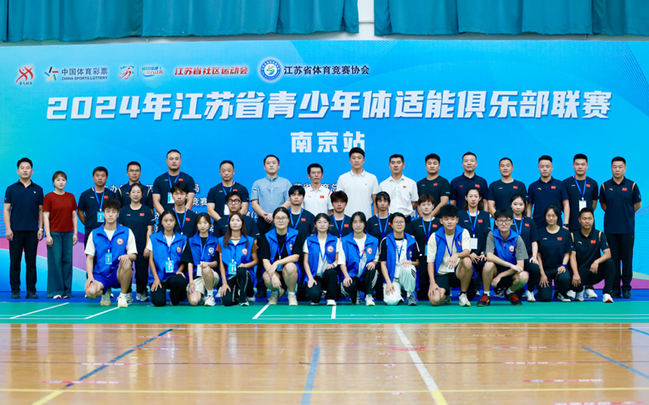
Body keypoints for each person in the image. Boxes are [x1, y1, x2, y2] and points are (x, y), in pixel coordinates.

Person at [600, 156, 641, 299]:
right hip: (610, 230)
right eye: (614, 167)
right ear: (611, 168)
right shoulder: (605, 186)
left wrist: (626, 214)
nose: (617, 169)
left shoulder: (632, 185)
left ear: (625, 168)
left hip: (627, 229)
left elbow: (637, 205)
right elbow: (604, 205)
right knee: (613, 260)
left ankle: (627, 288)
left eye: (620, 167)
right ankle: (615, 288)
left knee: (627, 260)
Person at [84, 199, 136, 308]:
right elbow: (89, 258)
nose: (110, 214)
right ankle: (105, 291)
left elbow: (134, 255)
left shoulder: (127, 231)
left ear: (118, 214)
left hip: (118, 273)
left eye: (113, 211)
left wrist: (127, 256)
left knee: (127, 262)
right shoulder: (94, 233)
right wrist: (90, 276)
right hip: (101, 274)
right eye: (107, 211)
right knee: (90, 293)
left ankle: (122, 296)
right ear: (103, 214)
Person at [5, 158, 43, 299]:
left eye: (28, 168)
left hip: (32, 231)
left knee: (31, 262)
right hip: (15, 231)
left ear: (32, 171)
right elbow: (6, 210)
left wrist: (41, 228)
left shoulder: (38, 189)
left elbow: (41, 210)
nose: (25, 170)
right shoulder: (11, 189)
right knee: (15, 262)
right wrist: (8, 229)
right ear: (18, 171)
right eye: (22, 167)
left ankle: (31, 291)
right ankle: (15, 290)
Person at [563, 153, 600, 299]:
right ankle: (574, 286)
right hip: (572, 225)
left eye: (582, 164)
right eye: (577, 164)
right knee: (573, 255)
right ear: (573, 165)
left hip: (588, 226)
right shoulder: (566, 183)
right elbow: (564, 205)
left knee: (590, 254)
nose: (580, 167)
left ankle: (589, 287)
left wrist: (586, 218)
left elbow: (594, 204)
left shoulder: (593, 183)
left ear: (587, 166)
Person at [477, 209, 529, 306]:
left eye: (507, 220)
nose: (504, 223)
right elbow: (489, 256)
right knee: (488, 265)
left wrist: (500, 276)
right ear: (496, 222)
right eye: (500, 221)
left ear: (511, 222)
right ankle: (486, 295)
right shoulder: (492, 235)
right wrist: (510, 265)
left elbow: (520, 265)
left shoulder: (517, 238)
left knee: (524, 276)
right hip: (495, 270)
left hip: (511, 272)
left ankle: (509, 292)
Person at [427, 204, 475, 307]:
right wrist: (432, 282)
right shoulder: (434, 236)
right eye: (446, 219)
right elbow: (430, 261)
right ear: (441, 221)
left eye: (452, 219)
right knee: (434, 300)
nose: (449, 222)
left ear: (457, 220)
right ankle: (446, 295)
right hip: (442, 273)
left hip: (458, 272)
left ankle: (463, 294)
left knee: (467, 260)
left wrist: (456, 255)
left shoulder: (463, 232)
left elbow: (467, 252)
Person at [568, 208, 615, 303]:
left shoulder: (599, 235)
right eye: (584, 218)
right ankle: (579, 290)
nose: (587, 221)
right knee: (567, 274)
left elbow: (608, 253)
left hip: (594, 271)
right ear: (579, 220)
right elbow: (572, 257)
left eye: (589, 218)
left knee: (610, 263)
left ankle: (607, 294)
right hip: (579, 272)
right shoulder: (573, 235)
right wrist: (576, 273)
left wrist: (597, 261)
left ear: (593, 220)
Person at [258, 207, 304, 305]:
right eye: (278, 218)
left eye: (283, 218)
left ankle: (291, 294)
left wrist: (277, 262)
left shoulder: (296, 234)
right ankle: (275, 292)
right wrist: (273, 275)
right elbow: (265, 260)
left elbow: (296, 256)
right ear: (274, 220)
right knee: (266, 276)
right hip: (274, 271)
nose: (281, 220)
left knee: (291, 266)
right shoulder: (267, 236)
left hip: (290, 272)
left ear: (288, 220)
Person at [43, 171, 78, 299]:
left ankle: (67, 291)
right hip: (55, 233)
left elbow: (74, 216)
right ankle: (55, 291)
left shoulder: (70, 196)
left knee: (67, 261)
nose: (61, 182)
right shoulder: (49, 197)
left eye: (63, 180)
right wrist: (48, 235)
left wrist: (75, 233)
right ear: (53, 182)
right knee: (55, 262)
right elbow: (45, 217)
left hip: (68, 233)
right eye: (58, 180)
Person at [117, 183, 154, 302]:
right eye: (133, 192)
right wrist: (121, 248)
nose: (136, 194)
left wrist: (147, 247)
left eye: (138, 192)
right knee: (126, 268)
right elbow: (120, 230)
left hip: (142, 245)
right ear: (129, 194)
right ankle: (127, 293)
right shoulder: (123, 210)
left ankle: (141, 292)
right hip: (126, 247)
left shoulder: (146, 210)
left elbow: (150, 229)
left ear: (142, 195)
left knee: (142, 273)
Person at [147, 210, 189, 306]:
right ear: (161, 222)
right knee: (159, 302)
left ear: (175, 222)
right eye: (165, 220)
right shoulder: (153, 238)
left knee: (180, 281)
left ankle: (173, 296)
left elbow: (184, 260)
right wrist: (156, 278)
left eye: (171, 220)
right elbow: (151, 260)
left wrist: (179, 271)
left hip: (174, 276)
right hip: (159, 276)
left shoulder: (183, 239)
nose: (168, 223)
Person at [339, 212, 380, 306]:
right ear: (351, 224)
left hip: (366, 276)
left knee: (372, 269)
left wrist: (373, 263)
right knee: (353, 300)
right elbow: (342, 262)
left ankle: (369, 295)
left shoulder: (373, 240)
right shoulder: (344, 241)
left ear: (365, 224)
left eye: (361, 222)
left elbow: (376, 258)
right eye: (355, 222)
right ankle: (354, 295)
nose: (358, 225)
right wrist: (346, 276)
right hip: (351, 275)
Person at [379, 212, 420, 306]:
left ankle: (410, 294)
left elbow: (417, 262)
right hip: (392, 277)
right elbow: (383, 264)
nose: (399, 224)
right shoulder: (385, 241)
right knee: (391, 302)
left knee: (408, 268)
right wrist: (388, 282)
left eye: (401, 222)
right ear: (391, 225)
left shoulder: (411, 241)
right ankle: (399, 294)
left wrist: (410, 262)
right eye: (396, 222)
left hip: (405, 274)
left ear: (405, 224)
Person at [218, 213, 258, 307]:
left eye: (238, 220)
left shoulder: (250, 241)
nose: (235, 223)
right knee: (227, 302)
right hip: (230, 276)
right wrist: (224, 283)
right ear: (229, 224)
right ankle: (236, 294)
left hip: (245, 274)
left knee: (241, 270)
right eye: (232, 220)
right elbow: (221, 264)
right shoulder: (221, 241)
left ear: (242, 224)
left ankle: (244, 297)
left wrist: (245, 265)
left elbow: (256, 261)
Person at [536, 205, 574, 302]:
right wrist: (542, 273)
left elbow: (567, 252)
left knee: (564, 277)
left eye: (554, 216)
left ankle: (561, 292)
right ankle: (542, 291)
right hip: (545, 269)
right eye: (548, 215)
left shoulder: (565, 233)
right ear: (545, 216)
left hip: (559, 268)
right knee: (545, 298)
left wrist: (564, 265)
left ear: (558, 217)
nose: (551, 218)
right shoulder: (540, 232)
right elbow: (538, 254)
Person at [407, 194, 441, 300]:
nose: (426, 207)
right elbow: (411, 244)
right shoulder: (413, 224)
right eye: (423, 204)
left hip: (437, 258)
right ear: (419, 207)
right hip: (421, 258)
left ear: (433, 206)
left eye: (428, 204)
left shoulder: (439, 222)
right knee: (423, 295)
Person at [458, 188, 491, 293]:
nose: (473, 199)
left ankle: (483, 291)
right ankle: (466, 288)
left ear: (480, 198)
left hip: (480, 252)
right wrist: (468, 253)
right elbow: (458, 237)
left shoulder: (484, 215)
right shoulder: (460, 214)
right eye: (470, 196)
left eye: (476, 196)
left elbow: (486, 235)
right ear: (466, 197)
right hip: (465, 252)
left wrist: (483, 253)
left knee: (484, 263)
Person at [303, 214, 340, 306]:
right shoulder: (309, 240)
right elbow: (305, 262)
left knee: (331, 271)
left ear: (329, 224)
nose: (322, 225)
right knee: (314, 297)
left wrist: (333, 264)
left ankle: (330, 298)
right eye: (319, 222)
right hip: (315, 276)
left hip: (329, 276)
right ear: (315, 225)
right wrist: (310, 278)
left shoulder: (335, 240)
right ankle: (320, 291)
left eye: (325, 222)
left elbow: (338, 259)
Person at [183, 213, 220, 307]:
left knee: (206, 269)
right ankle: (202, 296)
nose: (202, 226)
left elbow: (216, 263)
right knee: (194, 301)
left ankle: (210, 296)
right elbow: (189, 262)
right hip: (197, 277)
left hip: (211, 275)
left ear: (210, 224)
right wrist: (191, 281)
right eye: (199, 223)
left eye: (205, 223)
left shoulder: (216, 241)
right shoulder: (190, 241)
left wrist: (207, 264)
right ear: (196, 225)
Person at [250, 154, 292, 236]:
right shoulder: (257, 183)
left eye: (274, 163)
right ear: (264, 167)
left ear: (278, 166)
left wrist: (275, 215)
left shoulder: (286, 183)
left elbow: (289, 201)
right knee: (262, 243)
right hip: (262, 220)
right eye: (268, 163)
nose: (271, 165)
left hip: (281, 220)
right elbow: (254, 204)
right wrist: (265, 216)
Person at [510, 193, 541, 302]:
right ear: (511, 205)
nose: (518, 207)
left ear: (525, 206)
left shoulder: (530, 221)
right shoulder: (507, 221)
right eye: (515, 204)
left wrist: (534, 256)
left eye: (521, 204)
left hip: (527, 256)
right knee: (517, 295)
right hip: (512, 257)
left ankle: (530, 291)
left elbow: (534, 241)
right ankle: (515, 289)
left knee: (535, 267)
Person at [336, 147, 381, 218]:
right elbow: (339, 201)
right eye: (354, 158)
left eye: (359, 158)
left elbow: (375, 202)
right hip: (347, 218)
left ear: (363, 161)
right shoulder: (342, 178)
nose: (356, 160)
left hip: (366, 218)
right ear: (350, 161)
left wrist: (375, 219)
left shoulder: (372, 178)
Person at [527, 155, 570, 230]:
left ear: (551, 168)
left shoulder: (560, 184)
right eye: (542, 166)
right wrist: (528, 223)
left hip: (556, 224)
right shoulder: (533, 186)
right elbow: (529, 206)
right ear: (538, 168)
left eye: (547, 166)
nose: (545, 169)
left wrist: (566, 223)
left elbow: (566, 204)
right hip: (538, 224)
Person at [78, 166, 116, 246]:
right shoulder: (85, 195)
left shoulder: (112, 194)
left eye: (103, 176)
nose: (100, 178)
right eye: (97, 175)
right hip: (91, 231)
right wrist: (88, 223)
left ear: (106, 178)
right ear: (93, 177)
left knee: (107, 253)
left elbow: (116, 212)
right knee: (90, 253)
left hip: (108, 231)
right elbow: (80, 212)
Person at [152, 150, 196, 215]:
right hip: (165, 218)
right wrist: (166, 217)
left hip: (183, 217)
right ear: (167, 161)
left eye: (176, 159)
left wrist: (182, 216)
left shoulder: (188, 179)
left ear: (180, 160)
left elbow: (190, 201)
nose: (174, 161)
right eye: (171, 159)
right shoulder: (159, 180)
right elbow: (156, 202)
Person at [380, 154, 418, 220]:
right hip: (389, 219)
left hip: (406, 219)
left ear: (403, 165)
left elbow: (414, 202)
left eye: (398, 162)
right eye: (393, 163)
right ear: (389, 166)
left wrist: (406, 211)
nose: (395, 165)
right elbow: (380, 203)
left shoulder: (411, 183)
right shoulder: (383, 185)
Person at [417, 153, 450, 218]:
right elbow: (417, 203)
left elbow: (444, 202)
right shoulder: (420, 183)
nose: (432, 166)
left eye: (435, 164)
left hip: (439, 219)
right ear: (425, 166)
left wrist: (430, 216)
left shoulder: (443, 182)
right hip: (423, 219)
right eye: (429, 164)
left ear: (439, 166)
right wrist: (423, 216)